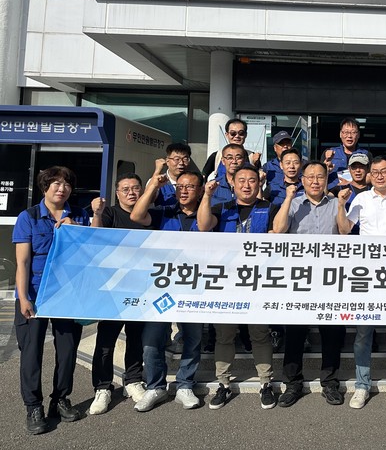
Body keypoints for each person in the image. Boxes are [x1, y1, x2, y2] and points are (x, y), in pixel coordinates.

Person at [12, 166, 90, 434]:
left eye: (66, 184)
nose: (62, 188)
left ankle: (60, 399)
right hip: (35, 293)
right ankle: (34, 407)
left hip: (68, 294)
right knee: (31, 353)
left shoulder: (79, 215)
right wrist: (24, 298)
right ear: (45, 187)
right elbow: (23, 262)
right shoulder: (29, 217)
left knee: (67, 350)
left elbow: (91, 253)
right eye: (56, 183)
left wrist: (76, 229)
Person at [197, 165, 278, 411]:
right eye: (241, 180)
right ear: (232, 183)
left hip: (257, 283)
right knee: (224, 335)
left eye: (252, 180)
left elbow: (278, 234)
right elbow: (203, 226)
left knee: (260, 334)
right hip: (226, 284)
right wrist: (207, 195)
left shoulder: (269, 208)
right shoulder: (221, 208)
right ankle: (224, 383)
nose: (246, 185)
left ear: (259, 183)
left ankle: (265, 383)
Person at [337, 156, 386, 409]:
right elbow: (345, 229)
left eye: (384, 171)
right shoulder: (361, 198)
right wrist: (340, 205)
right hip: (366, 276)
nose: (380, 176)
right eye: (375, 172)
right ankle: (362, 385)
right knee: (363, 333)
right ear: (369, 175)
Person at [130, 171, 206, 412]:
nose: (183, 191)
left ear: (200, 190)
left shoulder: (207, 214)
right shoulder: (163, 212)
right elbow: (136, 215)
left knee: (192, 339)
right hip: (161, 288)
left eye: (190, 187)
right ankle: (156, 387)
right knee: (151, 340)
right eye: (180, 186)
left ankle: (185, 385)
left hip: (194, 287)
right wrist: (153, 185)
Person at [273, 160, 346, 406]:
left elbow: (345, 232)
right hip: (299, 279)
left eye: (320, 177)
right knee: (295, 332)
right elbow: (278, 230)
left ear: (326, 179)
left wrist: (342, 205)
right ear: (302, 180)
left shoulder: (336, 204)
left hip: (330, 279)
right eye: (310, 177)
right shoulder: (293, 204)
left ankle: (330, 382)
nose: (315, 181)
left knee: (331, 333)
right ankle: (293, 383)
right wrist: (288, 198)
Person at [87, 173, 148, 415]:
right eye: (126, 189)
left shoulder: (147, 215)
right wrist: (97, 213)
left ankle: (133, 380)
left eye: (136, 188)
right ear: (117, 193)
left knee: (135, 338)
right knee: (106, 340)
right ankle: (102, 387)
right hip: (112, 288)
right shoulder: (110, 213)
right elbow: (95, 238)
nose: (131, 192)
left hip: (141, 286)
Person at [322, 117, 371, 183]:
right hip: (333, 189)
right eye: (346, 132)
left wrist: (353, 183)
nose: (349, 136)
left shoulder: (366, 154)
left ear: (358, 135)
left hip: (357, 189)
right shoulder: (329, 153)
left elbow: (371, 176)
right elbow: (319, 175)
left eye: (353, 132)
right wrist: (325, 168)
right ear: (340, 134)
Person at [335, 153, 372, 236]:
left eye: (361, 167)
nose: (357, 170)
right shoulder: (339, 188)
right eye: (354, 167)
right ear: (349, 169)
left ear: (368, 169)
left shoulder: (374, 190)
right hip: (347, 237)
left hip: (368, 237)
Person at [149, 142, 193, 207]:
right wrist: (157, 172)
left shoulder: (194, 182)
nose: (181, 163)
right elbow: (148, 200)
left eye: (185, 159)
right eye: (177, 159)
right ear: (167, 161)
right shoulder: (157, 181)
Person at [209, 144, 254, 208]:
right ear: (223, 161)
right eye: (230, 158)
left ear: (244, 160)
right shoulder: (214, 185)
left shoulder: (251, 185)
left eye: (238, 158)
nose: (234, 162)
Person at [262, 130, 293, 200]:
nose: (285, 146)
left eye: (288, 143)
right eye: (281, 144)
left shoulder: (302, 165)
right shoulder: (267, 167)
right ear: (275, 148)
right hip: (275, 204)